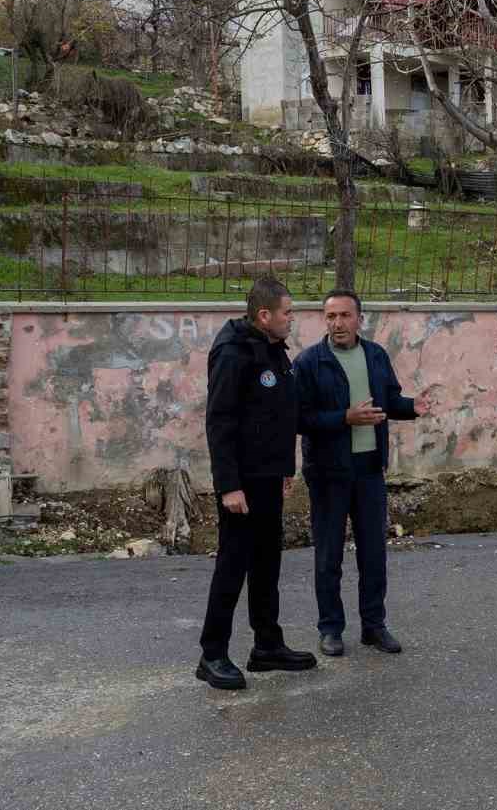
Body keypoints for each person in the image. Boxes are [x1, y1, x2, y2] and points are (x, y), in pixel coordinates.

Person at [196, 277, 318, 690]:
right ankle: (212, 654)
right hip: (242, 485)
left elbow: (279, 416)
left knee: (267, 564)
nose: (292, 320)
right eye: (288, 313)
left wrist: (285, 469)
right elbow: (220, 421)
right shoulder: (233, 352)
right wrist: (228, 486)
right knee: (233, 566)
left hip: (268, 480)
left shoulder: (273, 350)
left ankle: (267, 646)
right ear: (264, 315)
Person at [295, 290, 432, 657]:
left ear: (359, 319)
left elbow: (387, 402)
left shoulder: (375, 355)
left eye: (344, 316)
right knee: (329, 555)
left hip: (369, 468)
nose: (337, 323)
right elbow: (299, 419)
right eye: (330, 316)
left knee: (374, 553)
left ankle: (374, 626)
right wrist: (344, 418)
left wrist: (412, 407)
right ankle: (330, 629)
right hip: (327, 471)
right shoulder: (310, 362)